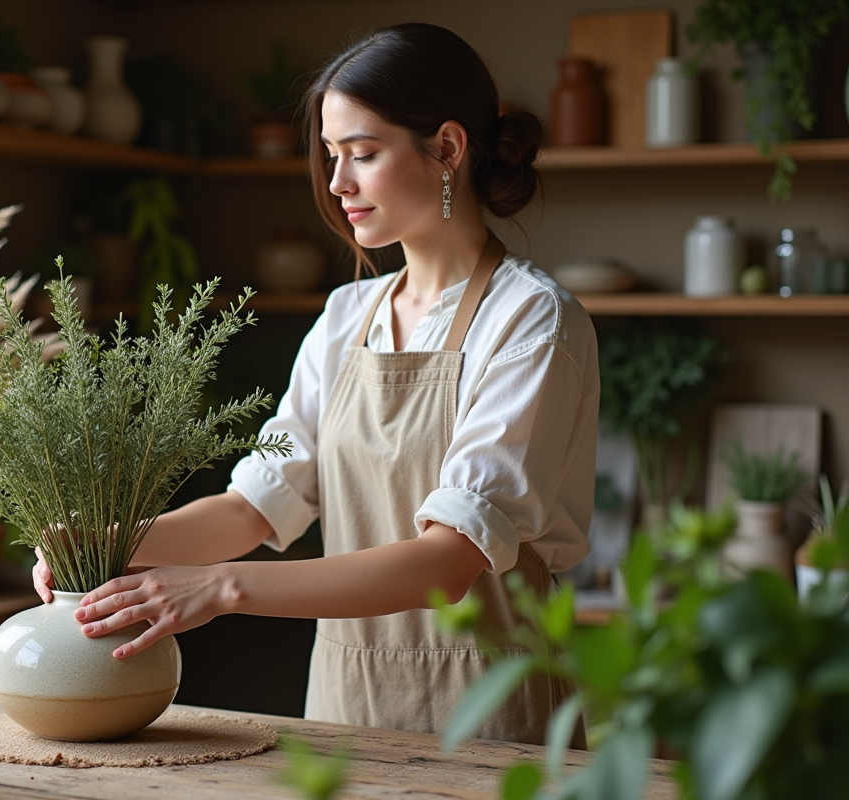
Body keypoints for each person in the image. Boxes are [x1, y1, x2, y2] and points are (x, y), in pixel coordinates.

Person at [34, 22, 597, 745]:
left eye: (363, 154)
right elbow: (254, 507)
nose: (337, 184)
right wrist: (108, 542)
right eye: (332, 156)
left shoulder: (530, 319)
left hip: (490, 710)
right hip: (345, 700)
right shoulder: (345, 316)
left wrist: (223, 589)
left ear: (448, 148)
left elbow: (448, 563)